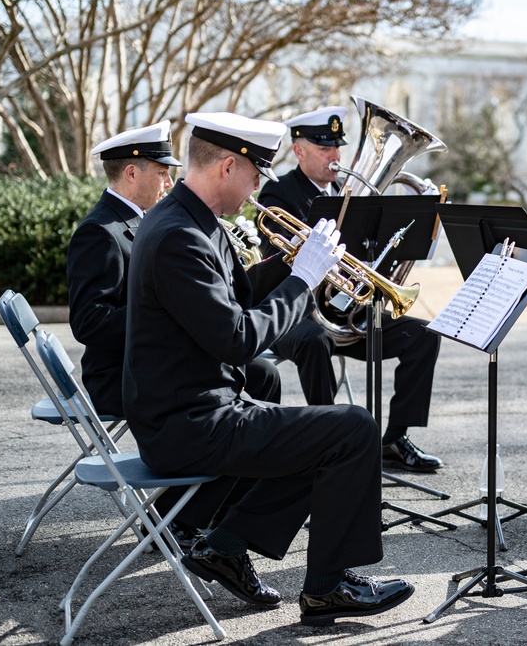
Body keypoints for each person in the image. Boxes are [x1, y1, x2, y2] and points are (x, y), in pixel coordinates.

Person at [123, 111, 414, 625]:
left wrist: (297, 261)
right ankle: (328, 586)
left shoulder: (190, 221)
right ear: (228, 166)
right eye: (257, 172)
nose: (260, 186)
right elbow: (236, 340)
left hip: (196, 408)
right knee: (353, 429)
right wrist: (302, 280)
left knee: (321, 435)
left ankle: (228, 545)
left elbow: (234, 303)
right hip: (189, 423)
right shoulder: (178, 235)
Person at [67, 121, 282, 547]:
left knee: (257, 374)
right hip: (124, 375)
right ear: (131, 173)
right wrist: (167, 308)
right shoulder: (101, 231)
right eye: (161, 172)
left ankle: (208, 505)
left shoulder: (152, 221)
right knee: (250, 382)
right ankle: (183, 516)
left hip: (159, 362)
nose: (170, 181)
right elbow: (88, 321)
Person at [257, 106, 444, 473]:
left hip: (347, 312)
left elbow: (373, 255)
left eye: (337, 147)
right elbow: (275, 259)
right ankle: (327, 441)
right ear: (299, 151)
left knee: (423, 336)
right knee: (315, 341)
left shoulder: (351, 192)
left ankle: (395, 437)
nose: (335, 156)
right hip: (293, 313)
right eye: (324, 148)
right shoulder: (278, 192)